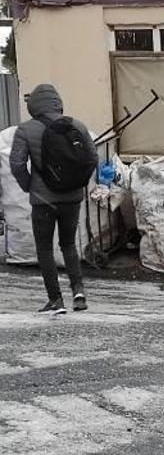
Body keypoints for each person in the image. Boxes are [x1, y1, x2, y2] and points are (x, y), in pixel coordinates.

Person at [10, 84, 98, 314]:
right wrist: (78, 183)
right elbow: (92, 158)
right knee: (68, 244)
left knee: (45, 248)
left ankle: (56, 300)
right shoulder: (77, 125)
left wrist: (29, 186)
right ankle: (79, 292)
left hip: (43, 200)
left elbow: (17, 164)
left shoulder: (25, 130)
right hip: (72, 199)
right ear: (57, 102)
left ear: (33, 106)